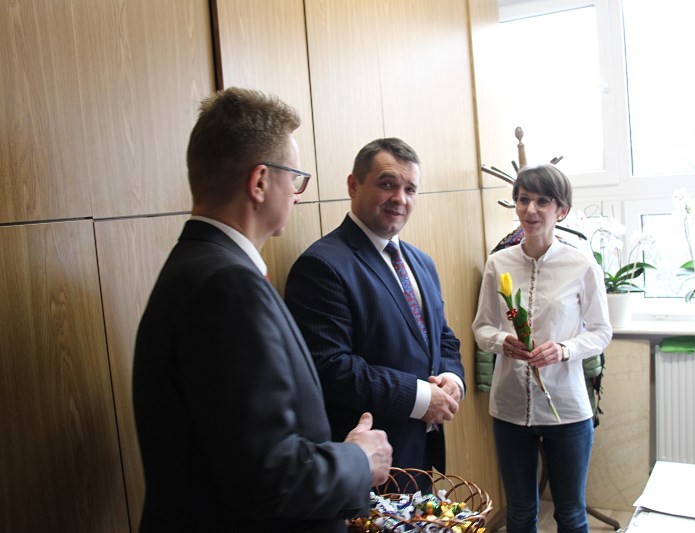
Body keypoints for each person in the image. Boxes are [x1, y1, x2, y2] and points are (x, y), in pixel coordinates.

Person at [132, 88, 392, 533]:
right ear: (259, 182)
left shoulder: (198, 264)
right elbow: (266, 478)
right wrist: (358, 460)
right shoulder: (228, 286)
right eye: (296, 179)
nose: (297, 195)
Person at [284, 137, 465, 477]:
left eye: (410, 189)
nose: (400, 198)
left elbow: (442, 337)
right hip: (366, 463)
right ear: (353, 185)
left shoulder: (422, 262)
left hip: (420, 453)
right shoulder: (322, 264)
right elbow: (330, 367)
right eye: (387, 184)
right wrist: (420, 398)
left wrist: (453, 378)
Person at [471, 164, 612, 533]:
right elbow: (482, 329)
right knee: (519, 514)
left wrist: (563, 350)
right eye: (523, 200)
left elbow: (601, 331)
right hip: (509, 408)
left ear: (561, 210)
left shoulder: (581, 263)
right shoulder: (498, 262)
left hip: (567, 409)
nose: (530, 210)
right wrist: (503, 342)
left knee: (571, 514)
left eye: (542, 201)